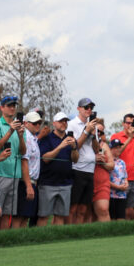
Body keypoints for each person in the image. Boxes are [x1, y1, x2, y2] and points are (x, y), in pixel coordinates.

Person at [37, 113, 78, 226]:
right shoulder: (47, 138)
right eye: (61, 121)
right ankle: (40, 237)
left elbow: (75, 159)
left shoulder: (71, 139)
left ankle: (56, 237)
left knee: (60, 216)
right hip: (48, 183)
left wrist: (74, 148)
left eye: (65, 121)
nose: (64, 123)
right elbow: (45, 159)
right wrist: (61, 146)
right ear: (54, 123)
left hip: (65, 183)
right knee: (44, 216)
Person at [0, 95, 26, 229]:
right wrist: (10, 130)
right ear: (2, 108)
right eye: (9, 106)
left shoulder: (20, 126)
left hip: (15, 175)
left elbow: (23, 152)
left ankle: (4, 238)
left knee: (7, 213)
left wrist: (21, 136)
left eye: (14, 106)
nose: (12, 108)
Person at [68, 97, 100, 225]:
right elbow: (75, 146)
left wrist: (93, 135)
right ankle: (68, 231)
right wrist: (86, 131)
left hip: (90, 170)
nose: (89, 110)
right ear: (78, 109)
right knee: (73, 207)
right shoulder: (72, 124)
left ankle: (78, 232)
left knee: (83, 208)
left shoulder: (93, 126)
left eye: (91, 108)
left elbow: (96, 149)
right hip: (77, 169)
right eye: (86, 107)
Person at [109, 113, 134, 220]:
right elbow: (117, 152)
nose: (130, 125)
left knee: (133, 209)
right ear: (123, 124)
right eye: (128, 123)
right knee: (122, 210)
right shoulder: (116, 136)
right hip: (119, 178)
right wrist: (130, 137)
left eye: (132, 123)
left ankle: (129, 229)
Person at [13, 111, 43, 229]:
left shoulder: (33, 138)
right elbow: (24, 161)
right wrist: (28, 186)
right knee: (20, 216)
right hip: (25, 182)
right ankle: (14, 238)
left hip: (31, 182)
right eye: (34, 123)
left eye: (39, 123)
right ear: (26, 123)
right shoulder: (26, 137)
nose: (38, 125)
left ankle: (20, 238)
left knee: (25, 217)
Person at [92, 125, 115, 222]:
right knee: (85, 213)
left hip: (102, 183)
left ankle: (107, 231)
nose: (98, 133)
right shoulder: (83, 143)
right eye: (96, 130)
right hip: (86, 181)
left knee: (103, 209)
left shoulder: (104, 145)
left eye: (101, 132)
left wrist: (103, 163)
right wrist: (92, 159)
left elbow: (112, 165)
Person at [107, 138, 128, 220]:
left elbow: (125, 177)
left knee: (121, 218)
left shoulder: (122, 162)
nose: (118, 149)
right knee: (112, 218)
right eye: (116, 148)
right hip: (111, 195)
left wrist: (126, 184)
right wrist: (118, 187)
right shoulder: (107, 162)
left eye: (119, 147)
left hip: (122, 195)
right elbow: (106, 180)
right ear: (110, 149)